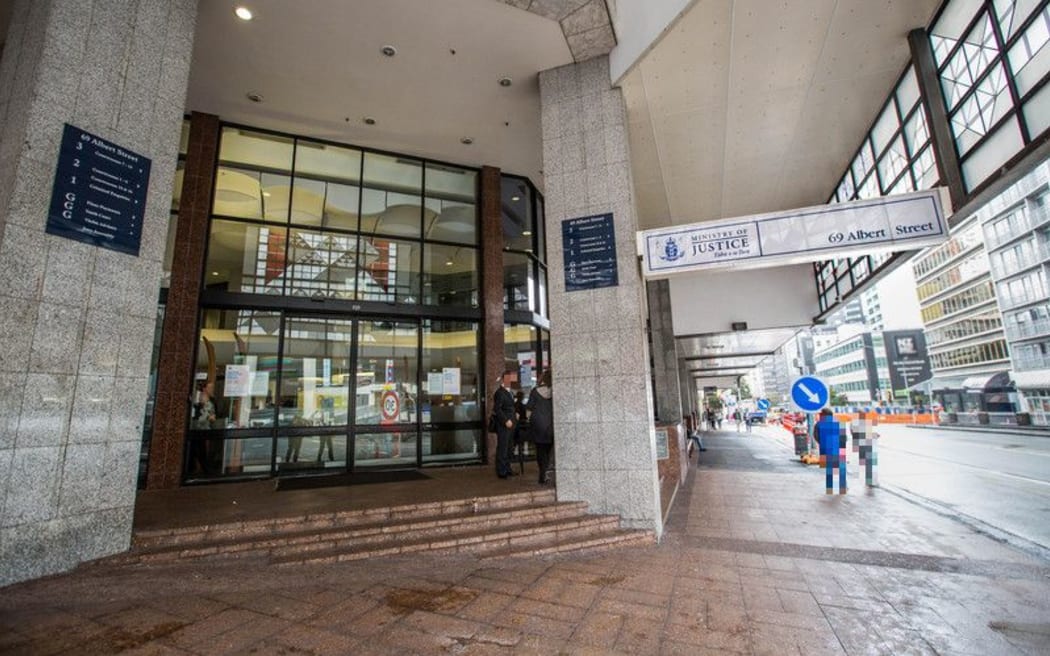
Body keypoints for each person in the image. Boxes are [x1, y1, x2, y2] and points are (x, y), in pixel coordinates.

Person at [526, 371, 554, 485]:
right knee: (549, 450)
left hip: (538, 424)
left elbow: (529, 409)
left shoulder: (535, 391)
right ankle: (548, 474)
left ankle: (542, 475)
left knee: (540, 451)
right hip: (551, 424)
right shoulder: (555, 391)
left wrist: (529, 419)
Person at [815, 407, 846, 495]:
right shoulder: (837, 423)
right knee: (840, 468)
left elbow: (816, 436)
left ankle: (830, 487)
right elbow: (843, 437)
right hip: (838, 448)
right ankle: (842, 487)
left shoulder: (819, 424)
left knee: (830, 469)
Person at [493, 369, 517, 478]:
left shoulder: (510, 392)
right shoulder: (499, 392)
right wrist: (505, 420)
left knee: (509, 447)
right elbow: (497, 409)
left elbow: (510, 407)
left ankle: (507, 468)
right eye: (510, 378)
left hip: (512, 423)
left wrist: (515, 414)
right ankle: (501, 471)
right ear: (504, 379)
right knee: (502, 447)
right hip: (504, 425)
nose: (512, 380)